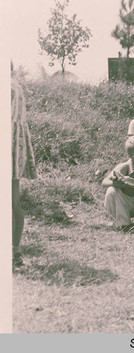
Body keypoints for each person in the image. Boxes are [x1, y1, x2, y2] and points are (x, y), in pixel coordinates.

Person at [11, 76, 37, 267]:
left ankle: (14, 250)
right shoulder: (15, 85)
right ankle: (15, 250)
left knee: (11, 202)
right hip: (15, 147)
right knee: (13, 200)